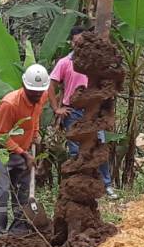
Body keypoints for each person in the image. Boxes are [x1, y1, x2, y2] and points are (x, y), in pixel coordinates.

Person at [0, 63, 52, 233]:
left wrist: (35, 133)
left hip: (22, 150)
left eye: (39, 92)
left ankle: (19, 230)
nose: (37, 96)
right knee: (2, 191)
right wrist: (24, 154)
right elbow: (1, 135)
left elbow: (35, 116)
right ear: (24, 86)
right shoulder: (10, 104)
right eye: (32, 92)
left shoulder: (42, 96)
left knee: (23, 192)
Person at [48, 27, 115, 198]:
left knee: (99, 145)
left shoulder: (95, 62)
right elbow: (52, 84)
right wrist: (57, 108)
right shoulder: (65, 62)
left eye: (83, 42)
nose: (80, 45)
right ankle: (77, 186)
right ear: (71, 42)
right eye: (76, 42)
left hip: (93, 111)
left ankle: (106, 185)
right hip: (73, 112)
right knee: (74, 150)